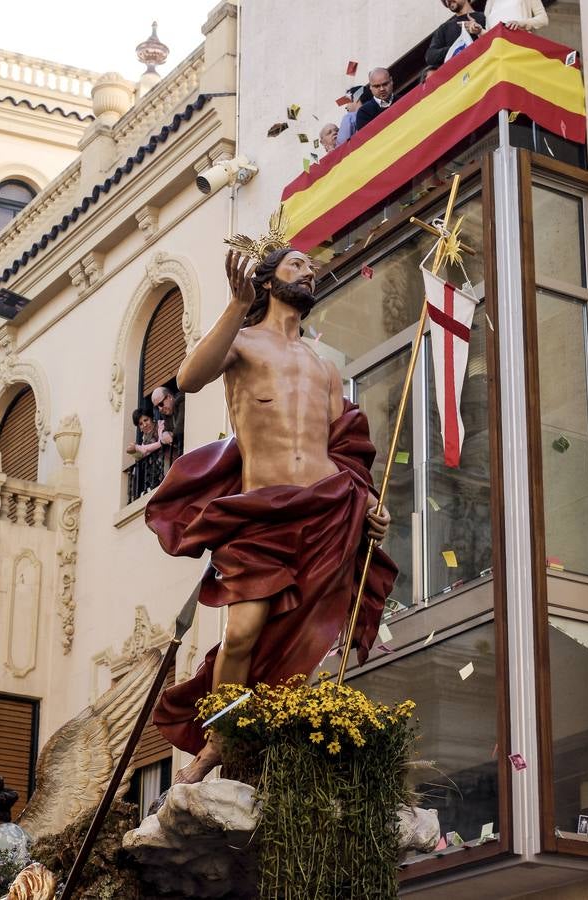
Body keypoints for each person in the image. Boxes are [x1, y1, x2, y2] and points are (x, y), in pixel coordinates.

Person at [146, 242, 397, 784]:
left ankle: (265, 741)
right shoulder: (242, 343)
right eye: (296, 263)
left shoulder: (324, 367)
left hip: (325, 509)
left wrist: (369, 503)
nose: (308, 270)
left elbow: (345, 448)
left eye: (311, 266)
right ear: (267, 280)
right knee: (242, 632)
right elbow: (189, 378)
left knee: (304, 636)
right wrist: (235, 307)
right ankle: (219, 739)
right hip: (261, 512)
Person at [426, 0, 486, 69]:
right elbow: (430, 56)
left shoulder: (485, 16)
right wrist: (456, 49)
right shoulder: (444, 28)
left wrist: (479, 32)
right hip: (462, 76)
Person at [150, 385, 185, 451]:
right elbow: (166, 430)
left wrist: (171, 435)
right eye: (157, 407)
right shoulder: (167, 415)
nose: (160, 409)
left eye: (161, 404)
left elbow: (180, 427)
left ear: (169, 397)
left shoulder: (181, 400)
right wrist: (164, 433)